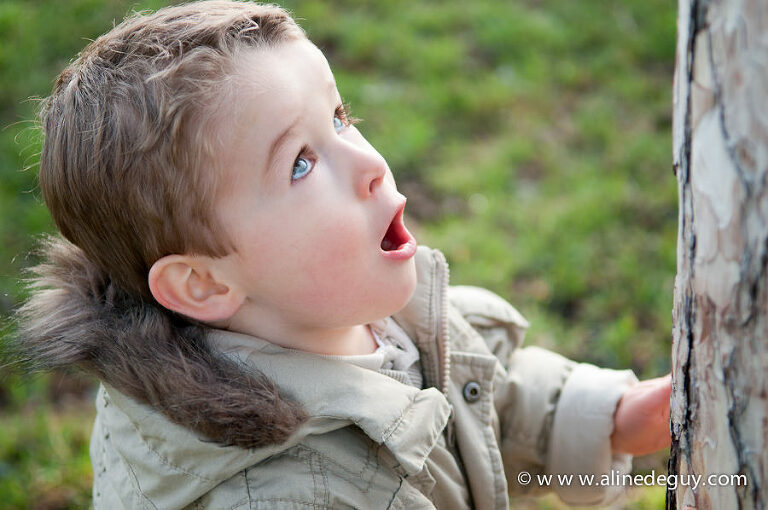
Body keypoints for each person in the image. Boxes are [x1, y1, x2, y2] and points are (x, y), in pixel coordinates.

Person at [15, 1, 671, 508]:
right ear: (203, 284)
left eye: (340, 117)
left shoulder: (340, 311)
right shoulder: (297, 493)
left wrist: (610, 419)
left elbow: (470, 401)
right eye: (300, 164)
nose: (368, 165)